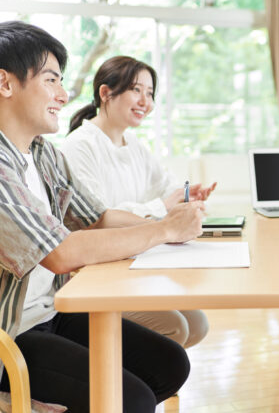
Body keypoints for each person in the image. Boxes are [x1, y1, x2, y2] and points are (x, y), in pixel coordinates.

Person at [0, 20, 205, 412]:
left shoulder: (44, 154)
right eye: (51, 80)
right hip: (12, 331)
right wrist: (161, 229)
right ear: (6, 84)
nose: (63, 94)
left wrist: (171, 229)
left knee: (170, 364)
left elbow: (95, 217)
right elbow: (59, 253)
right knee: (133, 400)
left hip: (53, 309)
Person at [61, 56, 215, 349]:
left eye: (151, 93)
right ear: (106, 93)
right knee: (175, 328)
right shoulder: (79, 146)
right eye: (136, 90)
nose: (145, 100)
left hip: (133, 260)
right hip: (95, 269)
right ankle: (120, 391)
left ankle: (144, 386)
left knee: (197, 324)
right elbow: (97, 218)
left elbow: (165, 186)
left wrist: (186, 197)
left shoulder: (134, 145)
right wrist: (162, 210)